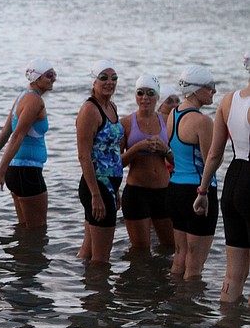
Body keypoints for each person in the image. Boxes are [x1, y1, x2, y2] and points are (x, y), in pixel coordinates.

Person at [0, 59, 56, 228]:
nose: (54, 79)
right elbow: (16, 136)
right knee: (37, 231)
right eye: (50, 75)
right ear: (37, 78)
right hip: (27, 172)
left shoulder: (23, 96)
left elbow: (5, 132)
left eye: (54, 75)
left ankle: (18, 254)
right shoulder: (34, 101)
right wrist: (0, 171)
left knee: (24, 228)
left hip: (17, 172)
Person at [195, 51, 250, 303]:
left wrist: (203, 191)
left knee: (233, 274)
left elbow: (215, 154)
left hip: (233, 181)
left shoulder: (228, 101)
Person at [167, 65, 218, 280]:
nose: (213, 92)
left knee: (180, 256)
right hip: (197, 191)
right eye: (210, 87)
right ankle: (191, 311)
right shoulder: (202, 121)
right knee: (195, 266)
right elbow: (211, 160)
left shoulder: (173, 114)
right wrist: (203, 193)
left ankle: (174, 306)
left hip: (175, 189)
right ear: (196, 90)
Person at [76, 60, 123, 264]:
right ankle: (98, 295)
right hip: (96, 185)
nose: (109, 82)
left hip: (109, 186)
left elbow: (112, 151)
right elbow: (84, 156)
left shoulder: (111, 107)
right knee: (101, 260)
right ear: (94, 81)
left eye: (113, 78)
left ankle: (79, 288)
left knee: (89, 252)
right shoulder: (89, 110)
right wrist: (96, 195)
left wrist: (116, 190)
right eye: (103, 78)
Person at [119, 74, 174, 250]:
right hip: (137, 192)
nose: (145, 98)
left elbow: (179, 161)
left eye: (150, 93)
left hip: (164, 191)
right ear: (135, 96)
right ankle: (138, 278)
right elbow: (116, 164)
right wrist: (136, 148)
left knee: (170, 246)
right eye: (140, 92)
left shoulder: (167, 121)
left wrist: (164, 150)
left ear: (158, 97)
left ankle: (161, 278)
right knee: (140, 250)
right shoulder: (126, 123)